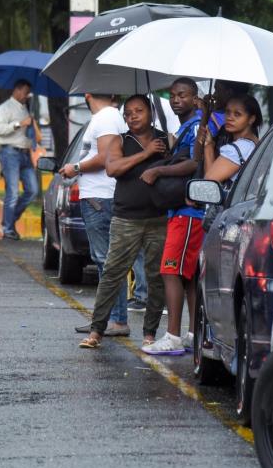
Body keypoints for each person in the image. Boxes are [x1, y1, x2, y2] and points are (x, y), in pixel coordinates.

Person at [79, 95, 169, 350]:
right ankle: (97, 330)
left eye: (139, 111)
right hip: (126, 218)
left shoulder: (165, 139)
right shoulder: (121, 140)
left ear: (150, 112)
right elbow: (113, 168)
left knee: (155, 278)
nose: (132, 117)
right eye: (128, 113)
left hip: (158, 218)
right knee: (112, 272)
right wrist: (146, 154)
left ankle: (150, 333)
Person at [137, 78, 203, 355]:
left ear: (195, 97)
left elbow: (195, 163)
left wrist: (159, 171)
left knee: (170, 270)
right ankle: (192, 333)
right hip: (179, 210)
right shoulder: (187, 125)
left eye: (183, 95)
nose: (176, 100)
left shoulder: (199, 124)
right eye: (173, 95)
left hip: (190, 211)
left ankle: (173, 336)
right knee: (186, 275)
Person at [60, 93, 132, 337]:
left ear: (88, 94)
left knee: (108, 261)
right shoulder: (104, 117)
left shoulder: (108, 116)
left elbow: (106, 157)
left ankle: (117, 320)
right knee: (104, 261)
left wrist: (75, 168)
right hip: (97, 198)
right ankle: (105, 319)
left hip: (100, 198)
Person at [0, 79, 38, 241]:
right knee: (12, 192)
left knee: (32, 190)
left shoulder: (25, 108)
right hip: (10, 153)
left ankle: (9, 221)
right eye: (26, 92)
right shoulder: (5, 108)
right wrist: (19, 123)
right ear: (17, 90)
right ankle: (8, 228)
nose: (27, 96)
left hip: (25, 154)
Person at [201, 94, 262, 186]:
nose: (229, 118)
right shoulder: (254, 143)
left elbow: (208, 184)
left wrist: (208, 147)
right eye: (227, 112)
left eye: (237, 114)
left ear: (251, 119)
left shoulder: (238, 149)